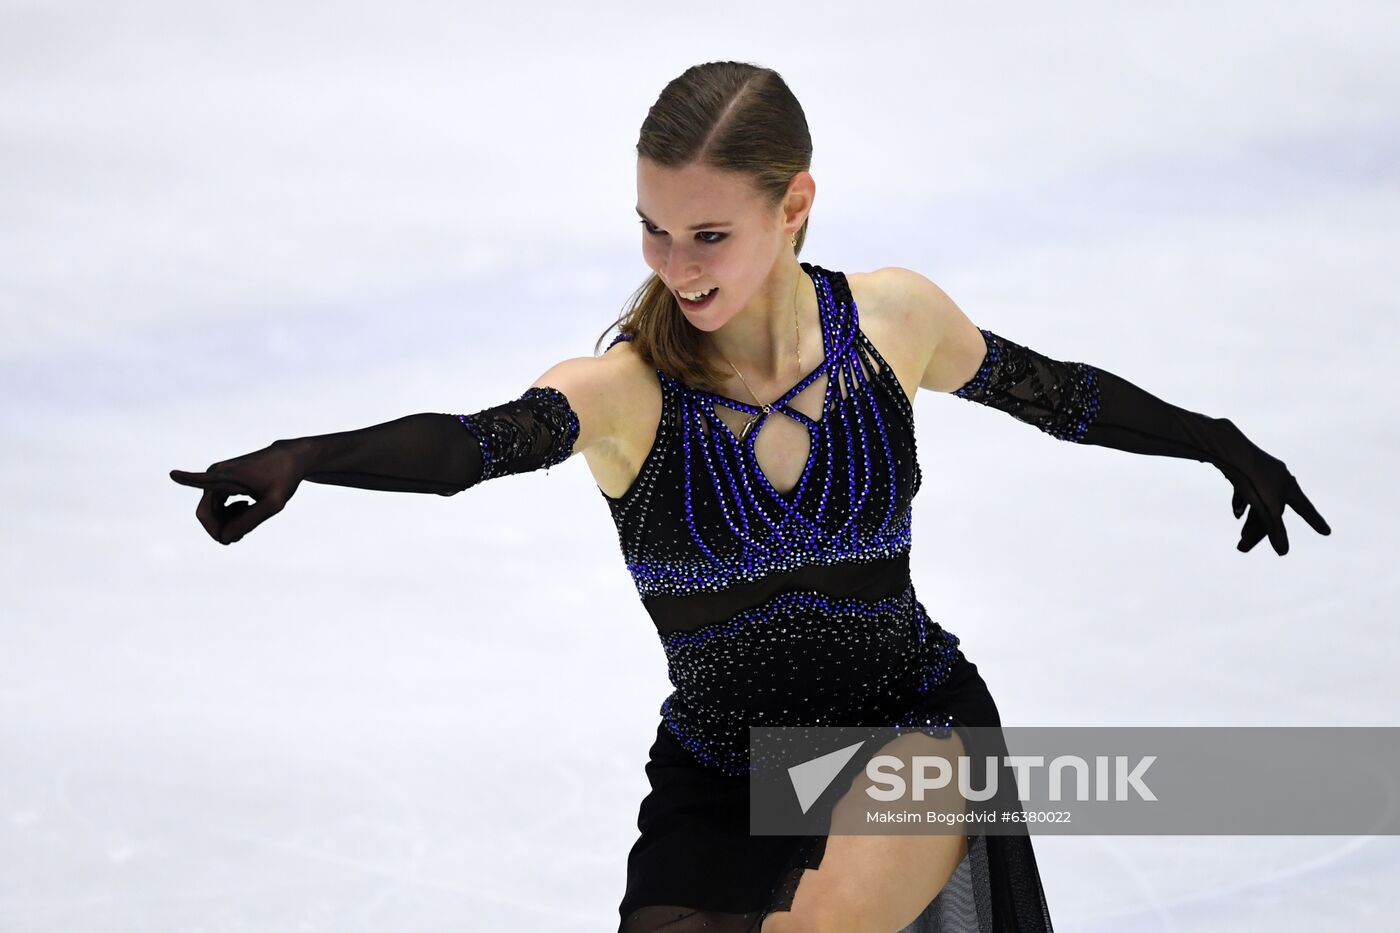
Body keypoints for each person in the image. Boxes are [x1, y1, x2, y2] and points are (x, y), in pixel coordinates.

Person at [170, 61, 1330, 933]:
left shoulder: (888, 322)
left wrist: (1215, 441)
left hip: (906, 726)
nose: (676, 264)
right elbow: (470, 445)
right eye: (654, 229)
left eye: (709, 234)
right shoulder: (623, 392)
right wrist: (304, 453)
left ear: (794, 206)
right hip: (724, 770)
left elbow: (1056, 393)